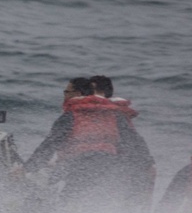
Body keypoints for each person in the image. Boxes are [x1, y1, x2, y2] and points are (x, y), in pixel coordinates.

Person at [24, 77, 153, 203]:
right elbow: (135, 143)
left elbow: (49, 145)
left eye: (67, 92)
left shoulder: (71, 115)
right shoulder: (115, 115)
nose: (64, 95)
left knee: (57, 191)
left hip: (80, 165)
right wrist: (148, 166)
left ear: (78, 94)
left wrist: (27, 169)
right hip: (110, 166)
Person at [89, 75, 156, 209]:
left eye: (90, 90)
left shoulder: (112, 115)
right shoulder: (108, 113)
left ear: (101, 93)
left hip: (126, 170)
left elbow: (132, 142)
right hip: (129, 168)